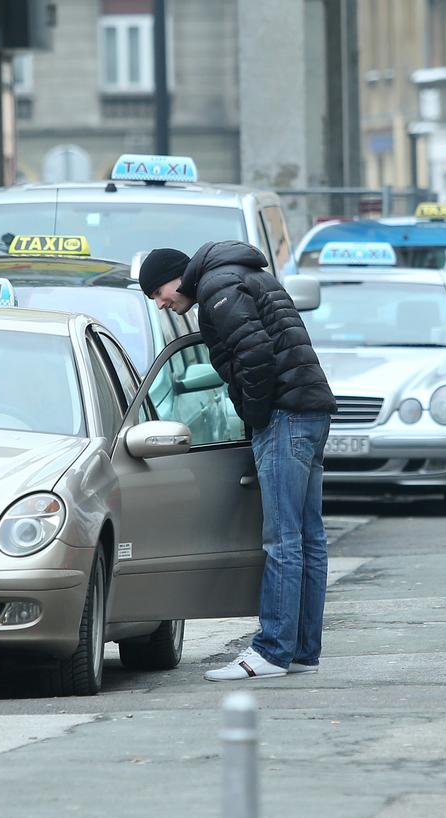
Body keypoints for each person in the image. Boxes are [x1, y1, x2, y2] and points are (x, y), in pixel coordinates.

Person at [138, 243, 337, 681]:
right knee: (307, 537)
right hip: (309, 410)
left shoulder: (217, 286)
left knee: (283, 538)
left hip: (285, 415)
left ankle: (271, 651)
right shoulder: (238, 275)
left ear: (179, 275)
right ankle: (302, 649)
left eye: (159, 291)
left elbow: (254, 354)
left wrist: (256, 416)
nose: (161, 302)